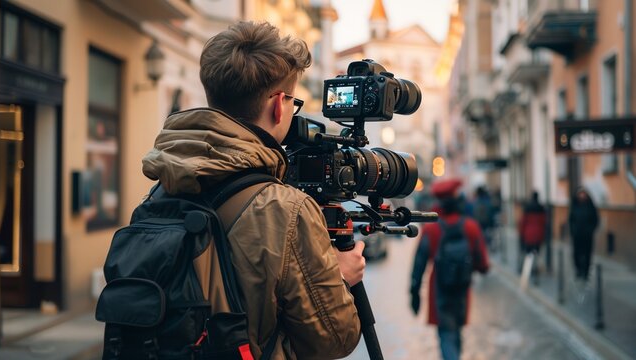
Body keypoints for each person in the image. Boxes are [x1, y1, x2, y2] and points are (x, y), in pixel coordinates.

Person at [141, 21, 363, 359]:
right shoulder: (287, 209)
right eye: (293, 101)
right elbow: (334, 339)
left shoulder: (163, 187)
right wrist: (341, 277)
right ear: (278, 104)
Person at [409, 179, 490, 360]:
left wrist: (414, 292)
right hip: (462, 288)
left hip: (440, 290)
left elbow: (419, 263)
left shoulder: (431, 229)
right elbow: (483, 264)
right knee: (457, 332)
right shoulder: (471, 227)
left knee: (446, 335)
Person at [569, 187, 599, 281]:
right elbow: (571, 219)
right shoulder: (575, 205)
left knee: (587, 254)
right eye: (580, 194)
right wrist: (573, 230)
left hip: (587, 235)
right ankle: (578, 270)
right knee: (576, 253)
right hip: (577, 235)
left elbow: (595, 219)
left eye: (583, 194)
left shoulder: (590, 206)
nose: (582, 196)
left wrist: (591, 230)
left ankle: (586, 272)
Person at [518, 191, 547, 279]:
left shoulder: (527, 208)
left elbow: (523, 223)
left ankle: (526, 272)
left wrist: (521, 235)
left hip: (528, 235)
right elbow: (544, 223)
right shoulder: (541, 209)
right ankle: (536, 270)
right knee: (536, 253)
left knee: (528, 254)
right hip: (538, 235)